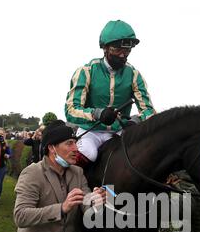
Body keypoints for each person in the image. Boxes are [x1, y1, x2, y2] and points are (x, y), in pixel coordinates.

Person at [65, 19, 155, 166]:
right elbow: (71, 110)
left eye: (127, 50)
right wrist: (97, 113)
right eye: (118, 49)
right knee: (89, 153)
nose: (123, 55)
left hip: (119, 132)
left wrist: (136, 121)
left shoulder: (134, 75)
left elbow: (149, 110)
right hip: (91, 132)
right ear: (105, 48)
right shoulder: (86, 71)